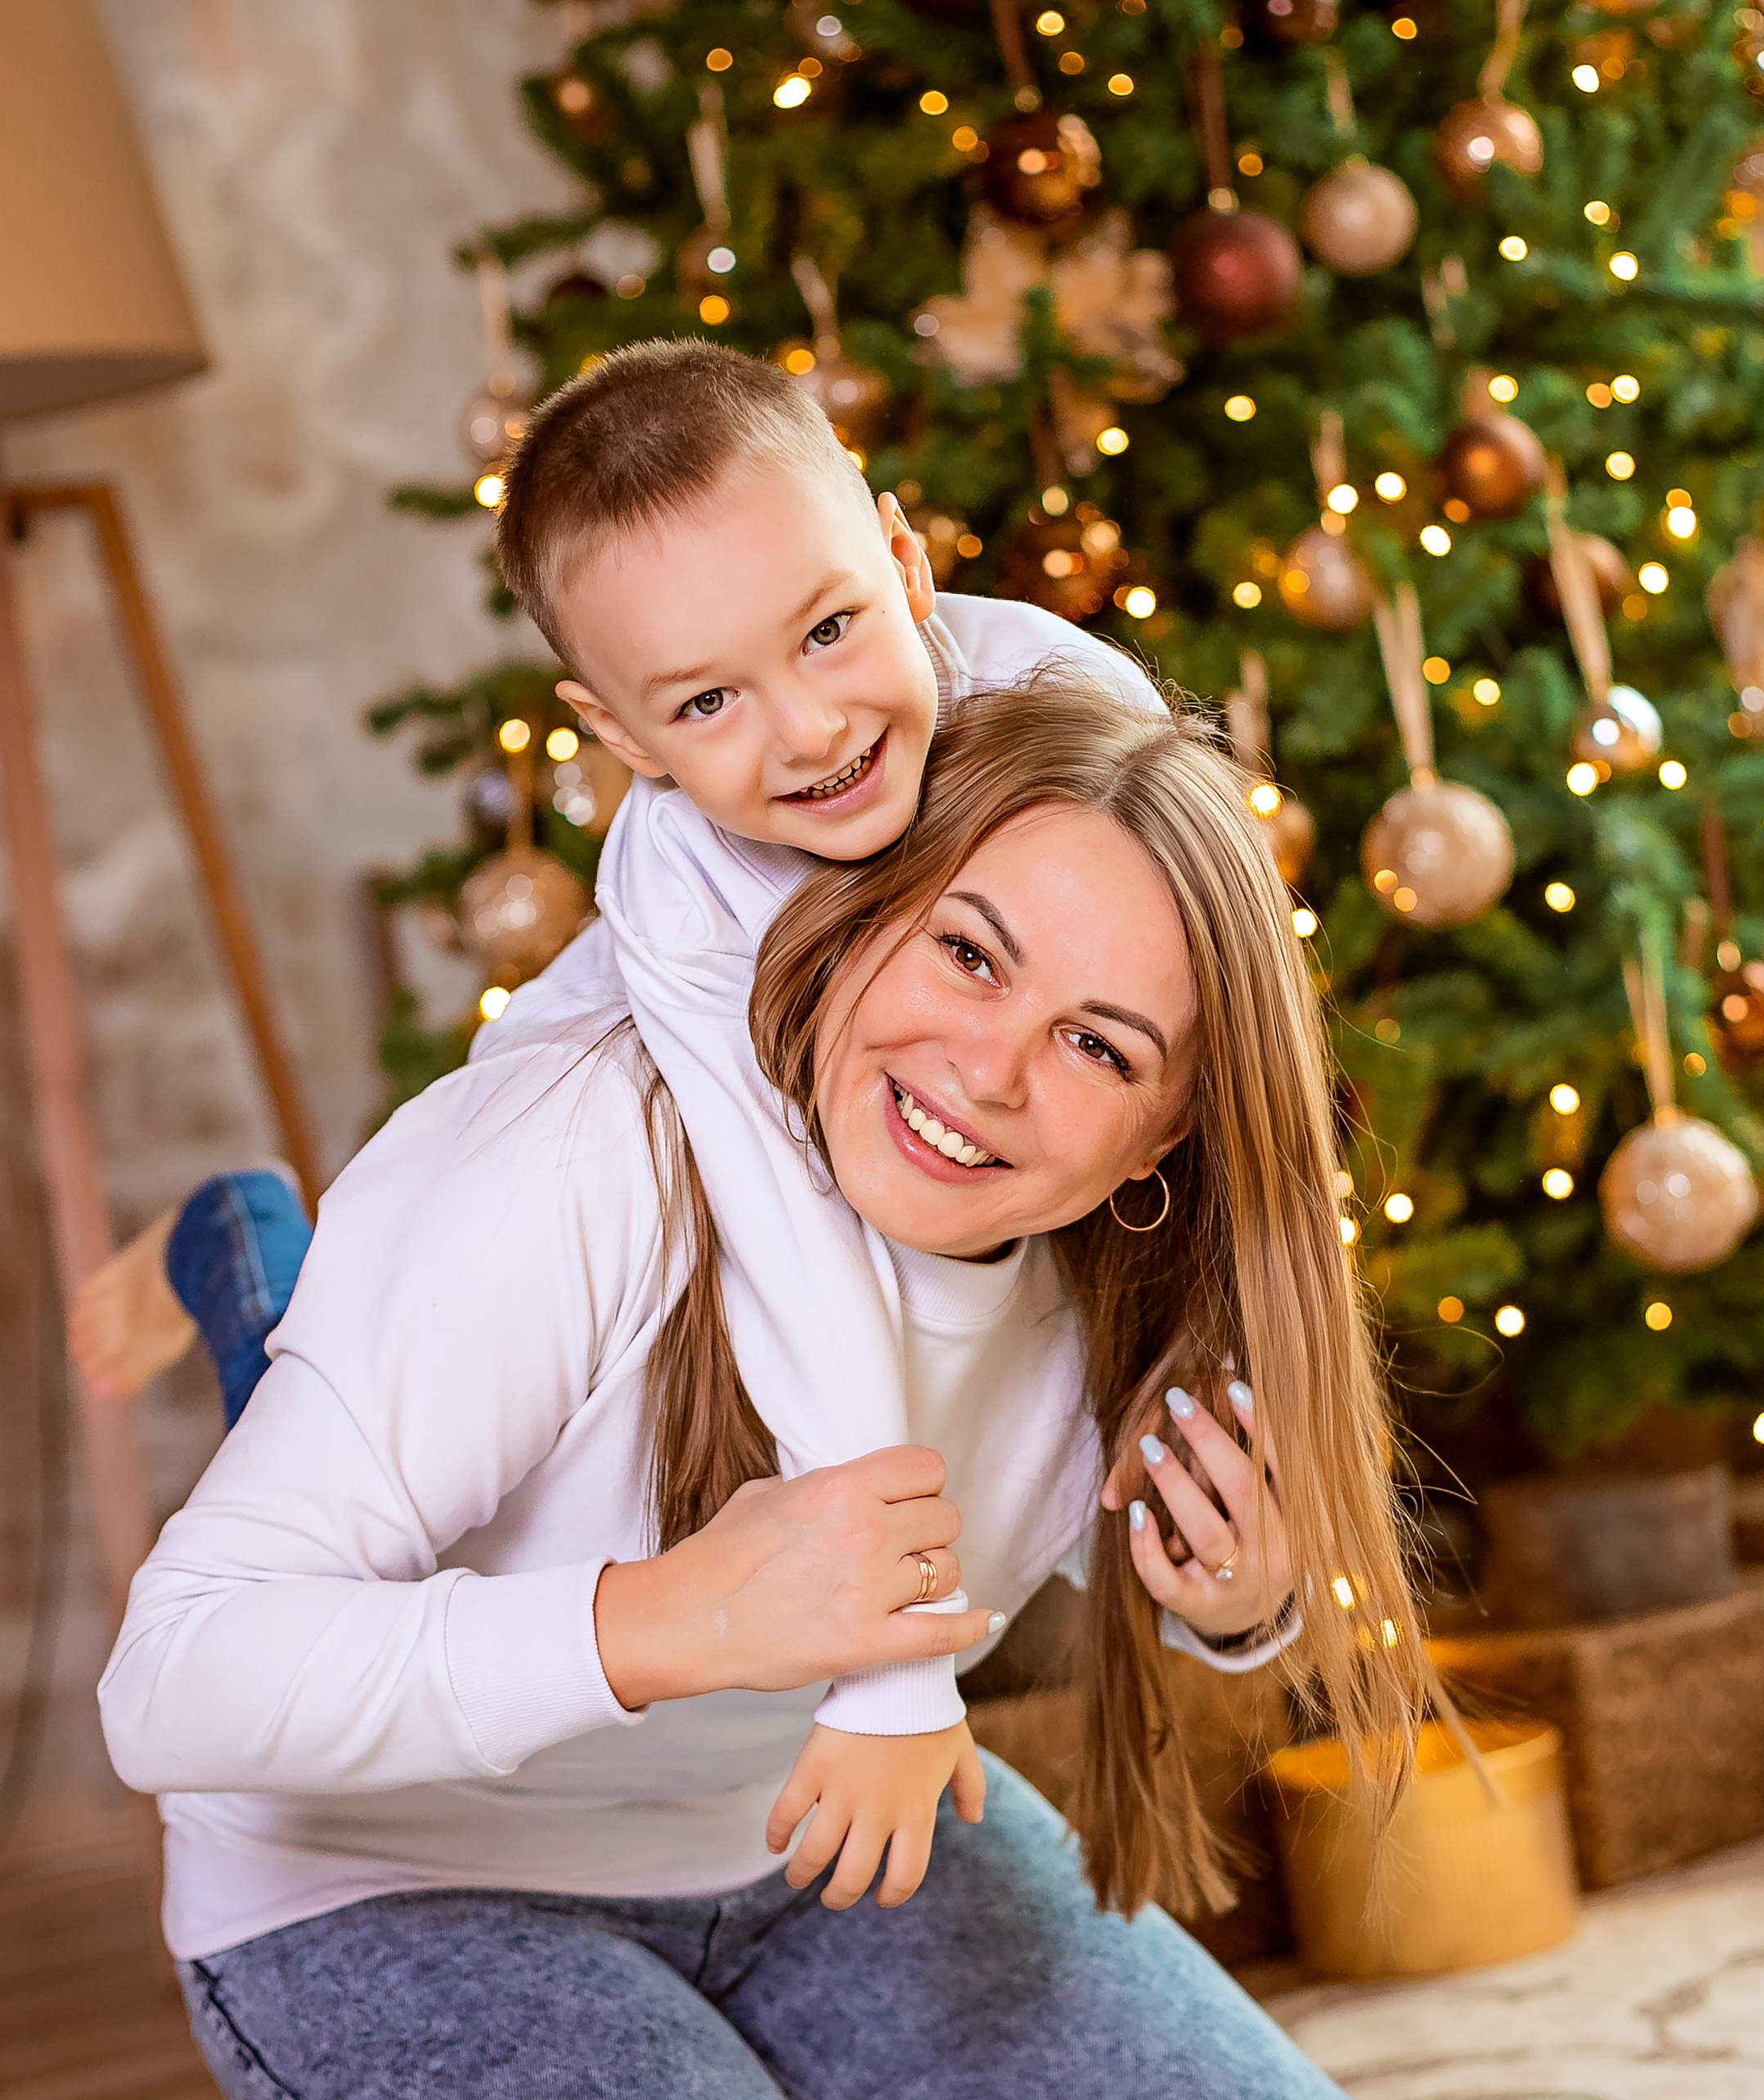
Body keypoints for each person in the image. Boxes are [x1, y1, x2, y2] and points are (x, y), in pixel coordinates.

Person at [99, 678, 1424, 2099]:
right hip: (384, 1874)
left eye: (1100, 1045)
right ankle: (245, 1244)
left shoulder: (1121, 1279)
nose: (988, 1073)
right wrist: (680, 1616)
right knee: (315, 1383)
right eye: (972, 956)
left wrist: (1240, 1606)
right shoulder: (576, 1157)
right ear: (867, 913)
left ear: (1161, 1141)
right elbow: (169, 1688)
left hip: (802, 1831)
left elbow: (1161, 1566)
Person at [72, 339, 1167, 1874]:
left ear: (908, 563)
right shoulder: (685, 899)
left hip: (548, 1288)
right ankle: (236, 1233)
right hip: (516, 1216)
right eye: (710, 701)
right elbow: (794, 1244)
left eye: (834, 628)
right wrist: (895, 1669)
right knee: (299, 1353)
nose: (810, 732)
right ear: (626, 744)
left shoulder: (1067, 698)